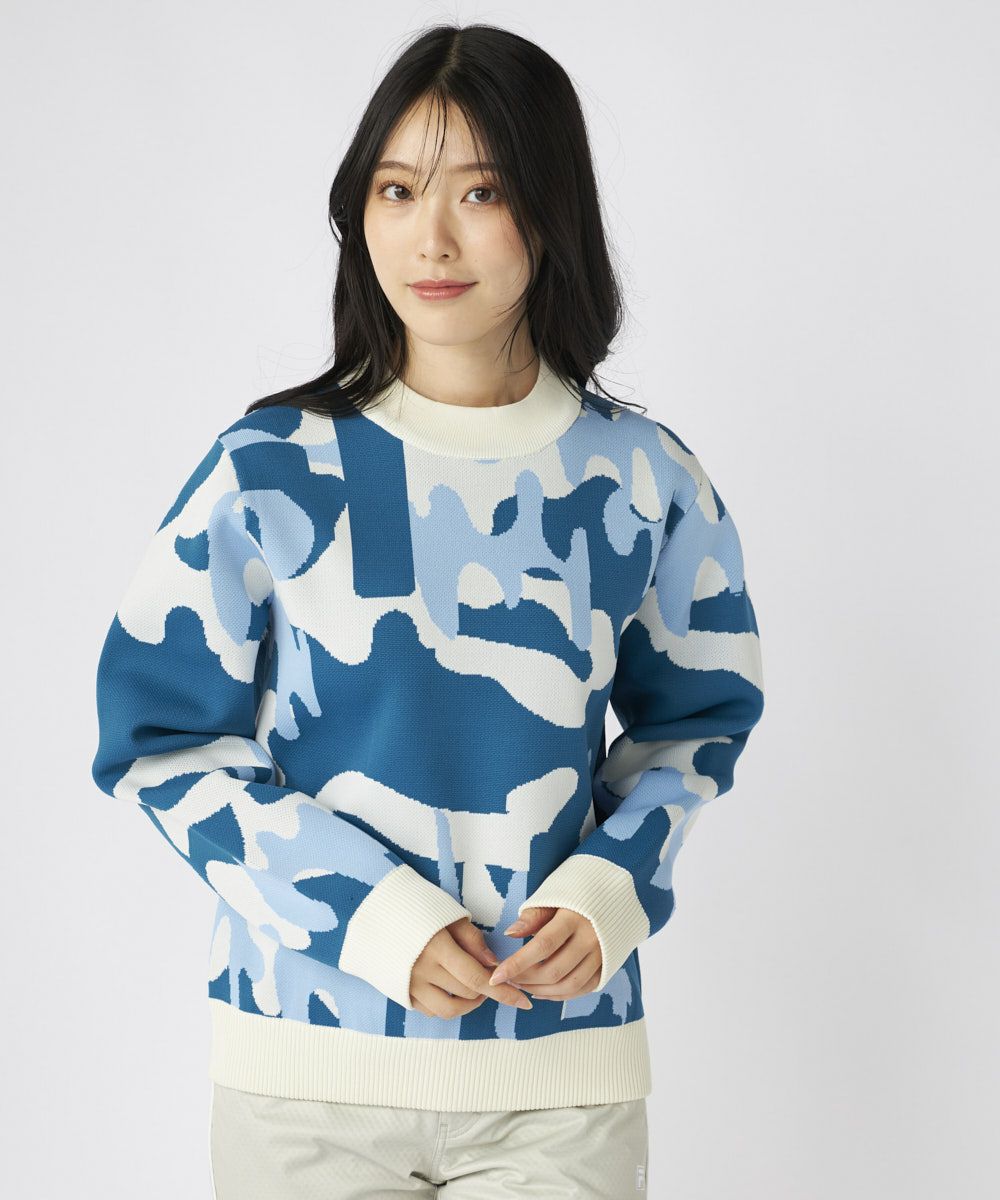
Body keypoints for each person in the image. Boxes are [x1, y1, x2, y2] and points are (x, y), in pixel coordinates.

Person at [91, 21, 765, 1199]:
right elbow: (160, 744)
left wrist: (610, 889)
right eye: (397, 190)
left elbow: (696, 725)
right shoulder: (267, 469)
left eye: (481, 191)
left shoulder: (644, 480)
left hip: (559, 1080)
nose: (431, 237)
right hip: (305, 1073)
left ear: (550, 213)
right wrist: (365, 915)